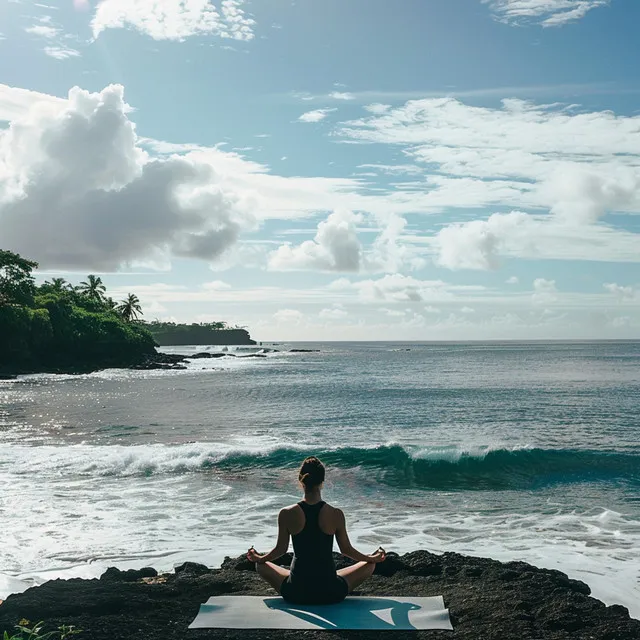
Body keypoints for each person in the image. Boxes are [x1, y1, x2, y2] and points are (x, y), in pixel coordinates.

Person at [247, 456, 386, 604]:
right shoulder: (335, 513)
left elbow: (280, 550)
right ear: (322, 482)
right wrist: (371, 558)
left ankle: (302, 577)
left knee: (260, 566)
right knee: (369, 565)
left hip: (296, 591)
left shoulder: (286, 513)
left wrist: (260, 558)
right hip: (330, 592)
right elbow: (346, 550)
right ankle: (330, 576)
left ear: (301, 480)